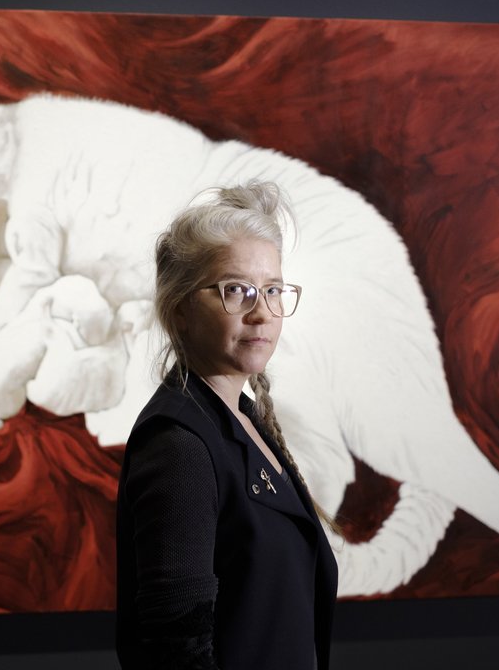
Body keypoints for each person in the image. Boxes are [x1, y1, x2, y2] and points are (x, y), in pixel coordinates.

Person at [115, 180, 339, 670]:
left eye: (273, 290)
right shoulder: (179, 444)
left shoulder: (241, 419)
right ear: (180, 308)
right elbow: (178, 658)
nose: (262, 313)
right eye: (236, 290)